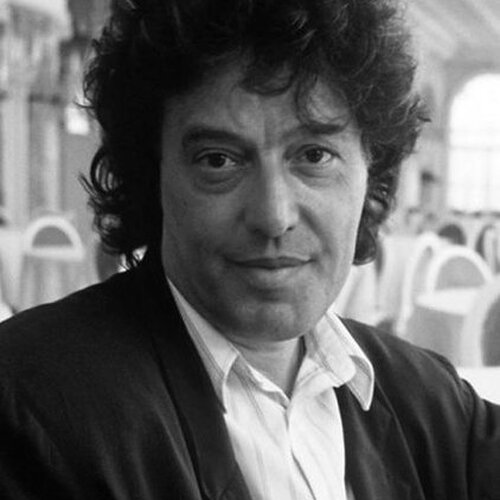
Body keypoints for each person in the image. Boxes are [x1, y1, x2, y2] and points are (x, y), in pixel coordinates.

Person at [0, 0, 499, 498]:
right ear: (152, 178)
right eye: (218, 160)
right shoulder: (29, 406)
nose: (274, 215)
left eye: (314, 155)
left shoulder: (430, 402)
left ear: (372, 173)